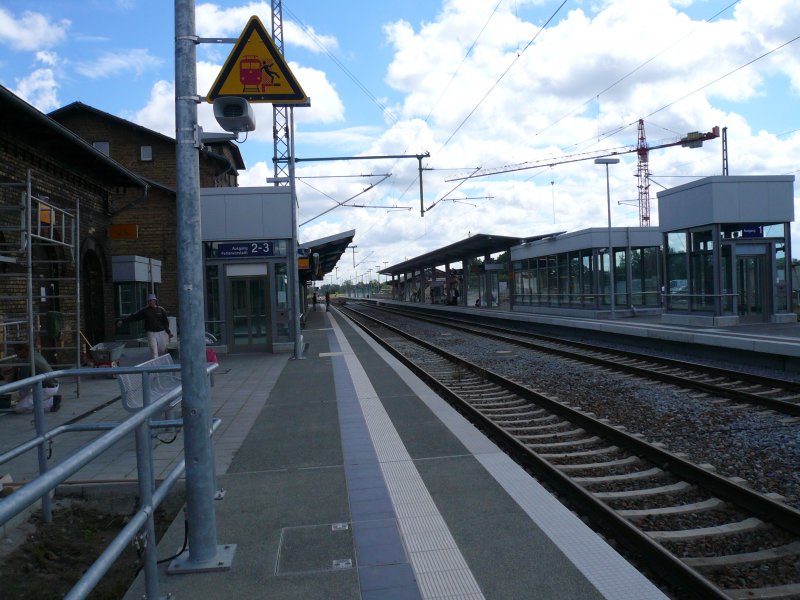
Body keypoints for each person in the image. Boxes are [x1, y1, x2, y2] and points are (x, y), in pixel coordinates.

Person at [117, 293, 172, 359]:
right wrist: (123, 320)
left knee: (162, 350)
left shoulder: (161, 310)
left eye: (151, 300)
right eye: (149, 301)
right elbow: (134, 317)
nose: (150, 302)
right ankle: (156, 367)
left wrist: (168, 332)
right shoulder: (145, 311)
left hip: (161, 332)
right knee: (154, 352)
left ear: (155, 301)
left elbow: (165, 322)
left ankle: (163, 366)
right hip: (151, 333)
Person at [13, 343, 60, 413]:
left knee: (19, 408)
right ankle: (50, 401)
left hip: (46, 389)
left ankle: (50, 404)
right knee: (26, 400)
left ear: (23, 350)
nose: (17, 355)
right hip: (53, 385)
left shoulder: (27, 361)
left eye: (17, 352)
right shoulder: (35, 354)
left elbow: (23, 384)